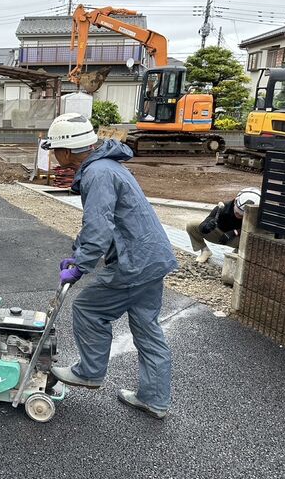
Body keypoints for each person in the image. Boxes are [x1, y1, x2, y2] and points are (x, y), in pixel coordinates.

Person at [44, 113, 178, 420]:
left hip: (135, 261)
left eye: (54, 149)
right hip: (152, 257)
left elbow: (99, 227)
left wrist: (80, 265)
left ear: (66, 151)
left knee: (89, 309)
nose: (53, 155)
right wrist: (78, 252)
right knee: (147, 329)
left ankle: (89, 372)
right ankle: (154, 399)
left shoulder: (97, 175)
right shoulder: (106, 167)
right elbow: (105, 223)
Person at [186, 187, 261, 263]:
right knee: (192, 225)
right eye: (237, 212)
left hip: (237, 239)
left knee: (253, 241)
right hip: (219, 234)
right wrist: (206, 226)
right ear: (235, 201)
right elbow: (206, 221)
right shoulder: (224, 207)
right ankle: (205, 251)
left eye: (241, 216)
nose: (238, 216)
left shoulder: (256, 216)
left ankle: (238, 253)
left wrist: (234, 232)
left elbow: (257, 232)